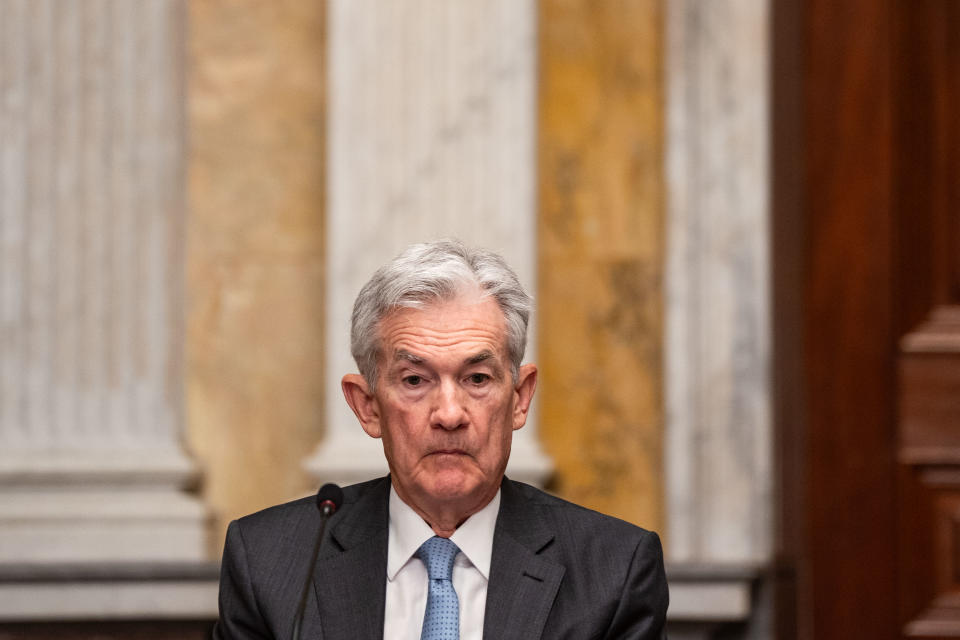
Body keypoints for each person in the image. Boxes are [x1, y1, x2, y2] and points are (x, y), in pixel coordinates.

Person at [213, 240, 669, 639]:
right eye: (414, 380)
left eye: (476, 378)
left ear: (519, 399)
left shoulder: (614, 570)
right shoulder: (271, 563)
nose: (449, 414)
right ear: (367, 406)